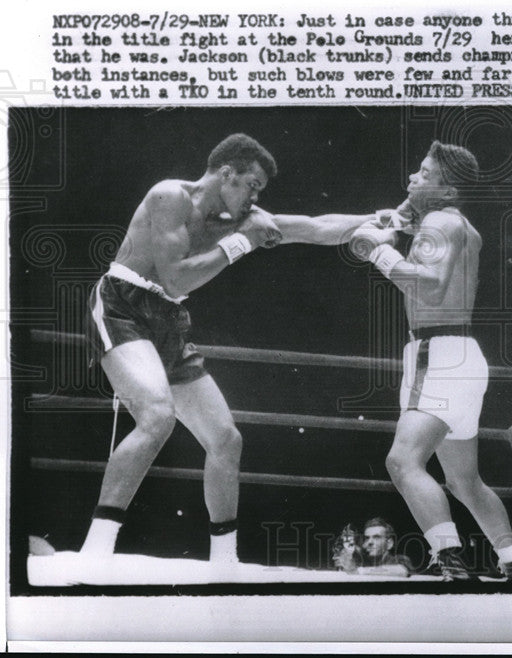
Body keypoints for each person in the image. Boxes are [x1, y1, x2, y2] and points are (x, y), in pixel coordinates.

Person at [81, 133, 375, 563]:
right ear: (226, 174)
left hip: (169, 319)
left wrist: (380, 218)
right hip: (122, 305)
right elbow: (177, 278)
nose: (255, 197)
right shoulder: (170, 197)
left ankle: (225, 561)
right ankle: (96, 551)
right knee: (158, 416)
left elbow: (313, 227)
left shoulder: (240, 216)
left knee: (225, 438)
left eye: (259, 190)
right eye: (251, 185)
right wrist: (241, 242)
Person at [350, 141, 512, 582]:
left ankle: (453, 565)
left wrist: (380, 252)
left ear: (447, 190)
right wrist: (404, 215)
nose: (412, 178)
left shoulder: (439, 220)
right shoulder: (455, 221)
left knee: (402, 462)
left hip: (439, 355)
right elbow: (427, 237)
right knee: (465, 482)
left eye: (424, 173)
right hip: (458, 356)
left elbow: (429, 287)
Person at [332, 517, 415, 577]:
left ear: (389, 543)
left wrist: (357, 571)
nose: (370, 542)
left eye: (376, 537)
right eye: (367, 538)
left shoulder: (400, 559)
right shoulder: (362, 562)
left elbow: (401, 571)